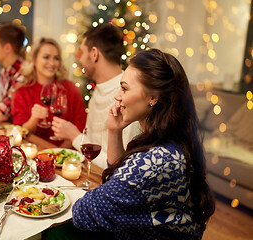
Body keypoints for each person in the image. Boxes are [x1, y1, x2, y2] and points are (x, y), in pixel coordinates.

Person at [69, 49, 215, 239]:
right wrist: (115, 131)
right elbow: (120, 174)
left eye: (124, 88)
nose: (117, 96)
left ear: (153, 98)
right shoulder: (171, 141)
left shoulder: (155, 162)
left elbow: (83, 215)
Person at [51, 23, 141, 169]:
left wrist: (74, 136)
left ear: (94, 53)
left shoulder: (127, 96)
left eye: (82, 53)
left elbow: (119, 166)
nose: (80, 60)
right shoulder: (99, 89)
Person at [12, 38, 87, 147]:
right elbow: (20, 132)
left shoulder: (70, 88)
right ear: (34, 59)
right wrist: (34, 119)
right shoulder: (22, 92)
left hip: (65, 155)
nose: (52, 63)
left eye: (56, 58)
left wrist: (58, 153)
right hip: (35, 153)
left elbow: (80, 127)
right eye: (46, 57)